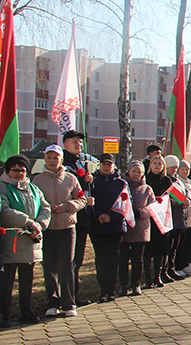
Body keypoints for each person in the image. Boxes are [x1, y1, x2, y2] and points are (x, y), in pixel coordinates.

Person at [33, 145, 87, 317]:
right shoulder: (37, 180)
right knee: (49, 266)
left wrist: (66, 206)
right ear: (45, 160)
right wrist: (47, 209)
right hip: (46, 228)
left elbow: (81, 199)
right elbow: (34, 202)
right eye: (49, 157)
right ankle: (52, 302)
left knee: (66, 265)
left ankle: (69, 303)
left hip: (67, 227)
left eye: (55, 158)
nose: (52, 161)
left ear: (61, 160)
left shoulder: (71, 179)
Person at [0, 155, 51, 327]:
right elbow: (4, 211)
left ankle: (26, 311)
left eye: (23, 170)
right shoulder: (2, 187)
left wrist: (40, 225)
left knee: (27, 280)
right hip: (11, 242)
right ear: (8, 170)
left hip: (31, 242)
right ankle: (5, 314)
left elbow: (45, 207)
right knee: (7, 281)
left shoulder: (33, 189)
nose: (20, 173)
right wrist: (28, 223)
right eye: (15, 170)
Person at [89, 154, 129, 303]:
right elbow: (89, 202)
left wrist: (111, 217)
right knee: (100, 258)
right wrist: (99, 215)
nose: (106, 167)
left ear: (114, 166)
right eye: (104, 164)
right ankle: (102, 290)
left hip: (115, 226)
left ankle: (111, 289)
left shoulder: (121, 184)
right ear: (99, 165)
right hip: (97, 226)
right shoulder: (92, 182)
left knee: (113, 258)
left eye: (109, 164)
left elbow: (125, 205)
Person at [61, 130, 94, 306]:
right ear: (65, 143)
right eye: (75, 142)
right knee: (68, 260)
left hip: (83, 218)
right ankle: (66, 297)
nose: (78, 145)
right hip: (69, 217)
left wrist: (90, 180)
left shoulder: (82, 162)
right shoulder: (63, 163)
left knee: (78, 260)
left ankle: (74, 294)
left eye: (80, 142)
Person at [118, 162, 155, 296]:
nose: (136, 174)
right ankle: (123, 285)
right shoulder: (122, 186)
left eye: (139, 172)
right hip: (125, 227)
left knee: (137, 258)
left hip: (141, 227)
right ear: (128, 171)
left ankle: (136, 284)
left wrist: (140, 213)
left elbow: (152, 207)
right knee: (123, 258)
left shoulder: (147, 189)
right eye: (133, 171)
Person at [144, 156, 173, 287]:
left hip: (162, 217)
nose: (157, 166)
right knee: (148, 250)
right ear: (150, 165)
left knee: (161, 248)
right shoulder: (145, 179)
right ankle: (147, 278)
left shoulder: (167, 180)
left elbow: (175, 196)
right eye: (154, 163)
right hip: (149, 217)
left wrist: (185, 201)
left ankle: (158, 276)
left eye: (160, 164)